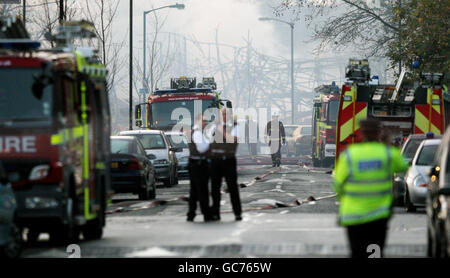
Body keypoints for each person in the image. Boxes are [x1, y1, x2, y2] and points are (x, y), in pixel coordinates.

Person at [333, 118, 409, 258]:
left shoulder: (349, 155)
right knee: (374, 252)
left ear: (362, 133)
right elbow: (403, 167)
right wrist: (388, 144)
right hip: (378, 215)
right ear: (379, 133)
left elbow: (338, 184)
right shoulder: (387, 153)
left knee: (357, 252)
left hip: (352, 216)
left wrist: (344, 198)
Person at [209, 108, 242, 221]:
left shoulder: (235, 126)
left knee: (232, 187)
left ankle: (237, 212)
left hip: (228, 159)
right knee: (215, 188)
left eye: (226, 114)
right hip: (216, 159)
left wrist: (221, 131)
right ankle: (215, 212)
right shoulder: (214, 126)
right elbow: (209, 140)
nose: (224, 116)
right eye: (222, 114)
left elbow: (233, 140)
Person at [185, 114, 212, 222]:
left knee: (195, 191)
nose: (205, 122)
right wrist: (211, 141)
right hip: (198, 164)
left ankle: (191, 214)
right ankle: (206, 214)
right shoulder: (197, 133)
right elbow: (202, 148)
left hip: (197, 163)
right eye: (203, 120)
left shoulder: (199, 132)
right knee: (202, 190)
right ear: (197, 121)